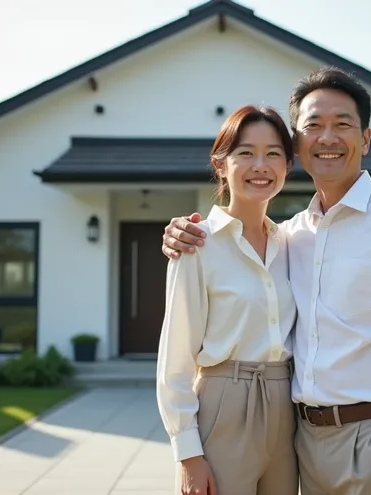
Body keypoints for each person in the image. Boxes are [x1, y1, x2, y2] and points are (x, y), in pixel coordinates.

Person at [161, 67, 371, 495]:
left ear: (366, 139)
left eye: (343, 125)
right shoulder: (291, 235)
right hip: (302, 440)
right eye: (313, 126)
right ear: (299, 144)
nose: (327, 137)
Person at [156, 104, 299, 495]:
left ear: (287, 165)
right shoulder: (197, 244)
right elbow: (176, 359)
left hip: (287, 407)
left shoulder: (295, 244)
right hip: (224, 403)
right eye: (245, 153)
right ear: (221, 165)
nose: (261, 165)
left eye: (273, 154)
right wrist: (188, 454)